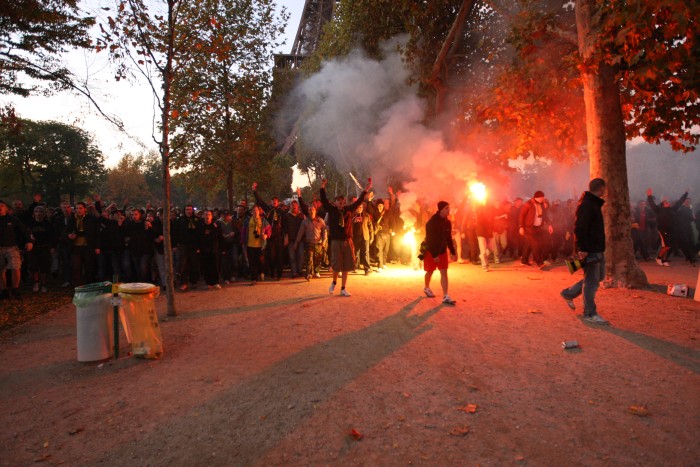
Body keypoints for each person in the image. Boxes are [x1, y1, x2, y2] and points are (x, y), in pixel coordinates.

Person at [560, 178, 609, 324]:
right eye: (605, 189)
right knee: (592, 282)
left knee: (598, 277)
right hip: (590, 249)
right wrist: (582, 248)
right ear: (601, 189)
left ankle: (569, 293)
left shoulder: (592, 203)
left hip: (596, 247)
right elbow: (580, 228)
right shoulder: (588, 205)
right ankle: (589, 313)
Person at [319, 177, 371, 296]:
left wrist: (366, 190)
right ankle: (333, 283)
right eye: (339, 203)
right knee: (337, 265)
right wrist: (322, 187)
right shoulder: (331, 210)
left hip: (348, 241)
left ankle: (343, 288)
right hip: (336, 241)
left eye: (343, 203)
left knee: (347, 265)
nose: (342, 205)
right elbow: (324, 200)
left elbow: (358, 202)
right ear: (335, 203)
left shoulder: (348, 210)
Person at [422, 201, 457, 305]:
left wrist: (452, 251)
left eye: (448, 208)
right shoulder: (432, 222)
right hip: (431, 251)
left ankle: (446, 295)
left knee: (444, 272)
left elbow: (448, 238)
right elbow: (429, 240)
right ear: (440, 209)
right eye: (446, 208)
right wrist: (434, 255)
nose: (448, 210)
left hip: (442, 251)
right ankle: (426, 287)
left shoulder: (447, 222)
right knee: (430, 271)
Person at [0, 199, 34, 300]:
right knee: (0, 270)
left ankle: (15, 289)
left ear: (6, 208)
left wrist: (29, 241)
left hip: (11, 247)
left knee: (16, 267)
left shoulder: (12, 219)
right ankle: (3, 291)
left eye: (2, 206)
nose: (0, 208)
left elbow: (25, 230)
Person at [646, 188, 688, 266]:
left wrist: (686, 193)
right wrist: (649, 196)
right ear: (662, 205)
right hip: (662, 230)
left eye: (667, 202)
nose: (667, 203)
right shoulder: (658, 210)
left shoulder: (673, 209)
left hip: (671, 230)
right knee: (666, 246)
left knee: (669, 246)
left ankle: (664, 260)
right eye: (665, 202)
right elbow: (652, 204)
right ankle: (658, 258)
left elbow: (680, 202)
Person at [519, 190, 553, 268]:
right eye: (541, 198)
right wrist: (521, 227)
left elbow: (545, 215)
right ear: (536, 197)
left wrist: (549, 225)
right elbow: (521, 216)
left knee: (528, 245)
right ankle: (539, 263)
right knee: (536, 245)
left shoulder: (541, 205)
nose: (542, 199)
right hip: (529, 228)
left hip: (538, 227)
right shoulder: (528, 205)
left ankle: (524, 260)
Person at [294, 205, 327, 280]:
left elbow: (324, 231)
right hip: (309, 243)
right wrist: (296, 242)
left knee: (317, 258)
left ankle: (316, 270)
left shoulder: (320, 220)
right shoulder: (305, 222)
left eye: (312, 210)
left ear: (315, 211)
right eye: (309, 210)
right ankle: (309, 273)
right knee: (309, 258)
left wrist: (324, 241)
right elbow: (300, 233)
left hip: (318, 242)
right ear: (308, 212)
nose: (311, 211)